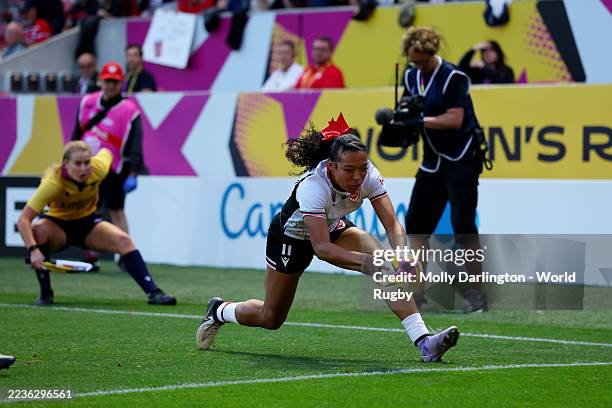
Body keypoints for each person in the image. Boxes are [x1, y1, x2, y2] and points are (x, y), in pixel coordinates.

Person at [196, 114, 459, 362]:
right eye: (349, 170)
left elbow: (392, 223)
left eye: (362, 169)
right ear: (332, 166)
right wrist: (369, 262)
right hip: (292, 237)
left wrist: (402, 256)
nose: (357, 177)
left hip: (333, 225)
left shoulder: (368, 175)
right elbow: (321, 248)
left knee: (384, 263)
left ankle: (424, 342)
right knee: (271, 318)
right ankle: (219, 310)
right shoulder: (313, 187)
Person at [16, 141, 176, 306]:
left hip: (88, 223)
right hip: (59, 227)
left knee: (124, 241)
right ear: (65, 164)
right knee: (38, 230)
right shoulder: (52, 184)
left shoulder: (98, 169)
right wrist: (33, 250)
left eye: (87, 162)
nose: (84, 168)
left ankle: (153, 292)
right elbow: (23, 220)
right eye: (78, 163)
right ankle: (45, 293)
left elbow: (108, 150)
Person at [399, 26, 488, 311]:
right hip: (432, 159)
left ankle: (477, 295)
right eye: (414, 61)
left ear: (433, 53)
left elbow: (455, 119)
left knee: (463, 226)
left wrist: (420, 121)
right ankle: (417, 292)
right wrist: (398, 119)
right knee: (415, 225)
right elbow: (409, 108)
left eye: (423, 61)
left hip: (461, 157)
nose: (419, 66)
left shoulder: (454, 76)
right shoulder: (411, 75)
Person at [72, 61, 142, 237]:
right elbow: (77, 132)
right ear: (100, 81)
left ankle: (126, 255)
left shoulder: (129, 111)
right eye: (107, 81)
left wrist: (133, 171)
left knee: (117, 211)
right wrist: (69, 159)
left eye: (115, 82)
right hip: (85, 167)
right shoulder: (87, 102)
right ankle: (90, 255)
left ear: (122, 83)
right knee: (87, 211)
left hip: (113, 170)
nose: (111, 86)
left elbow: (135, 143)